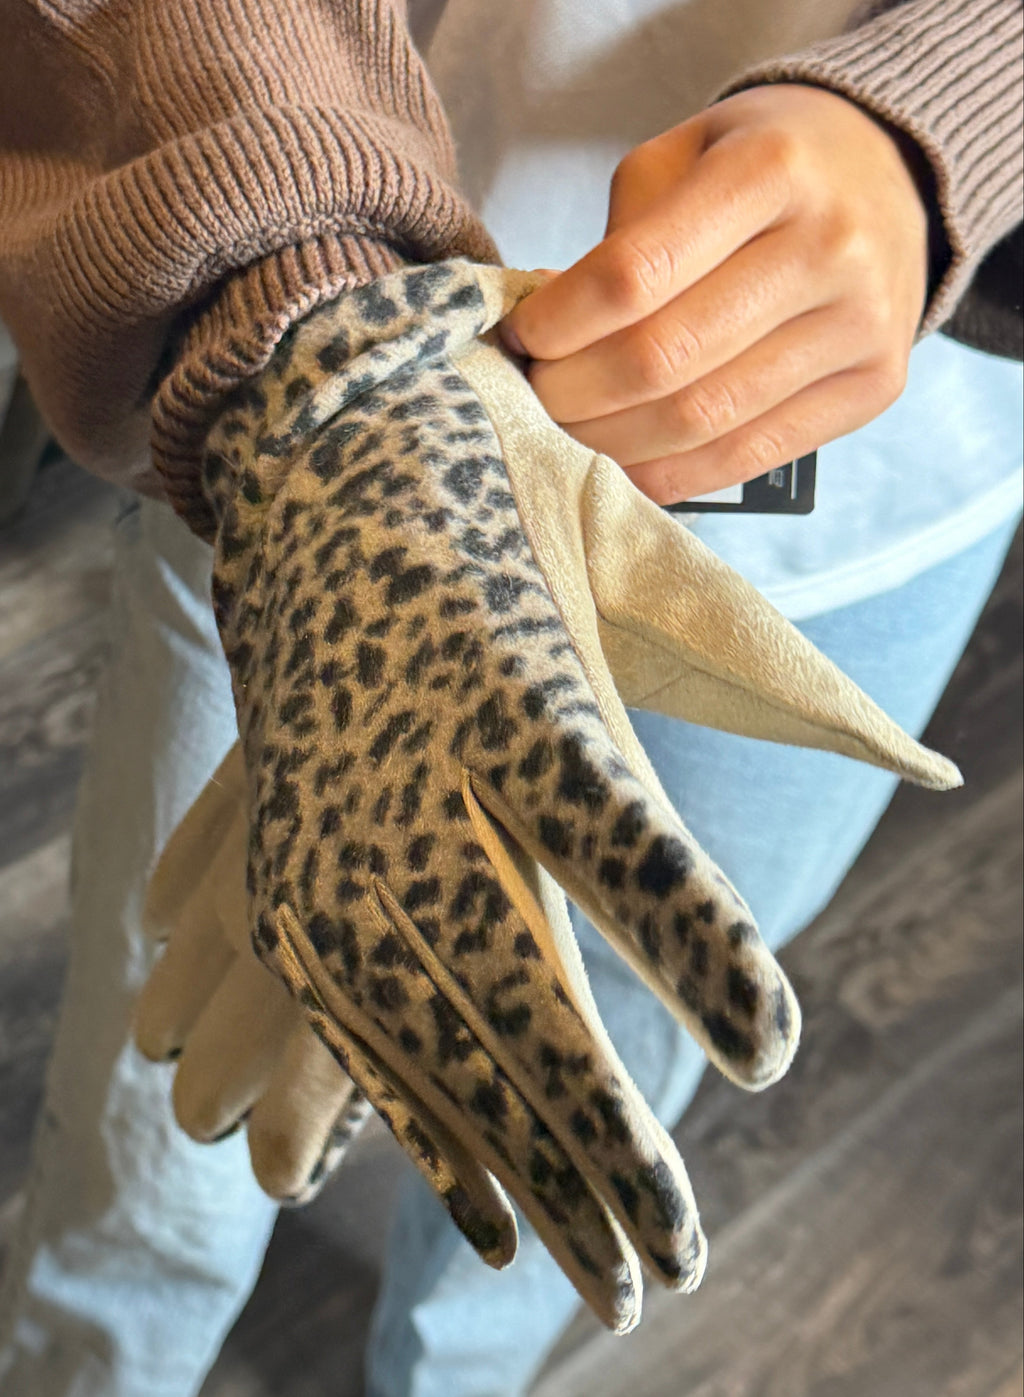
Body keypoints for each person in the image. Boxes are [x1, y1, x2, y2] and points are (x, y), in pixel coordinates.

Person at [0, 1, 1020, 1394]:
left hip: (902, 479)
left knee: (599, 1074)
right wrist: (315, 330)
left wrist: (961, 103)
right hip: (331, 397)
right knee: (186, 1041)